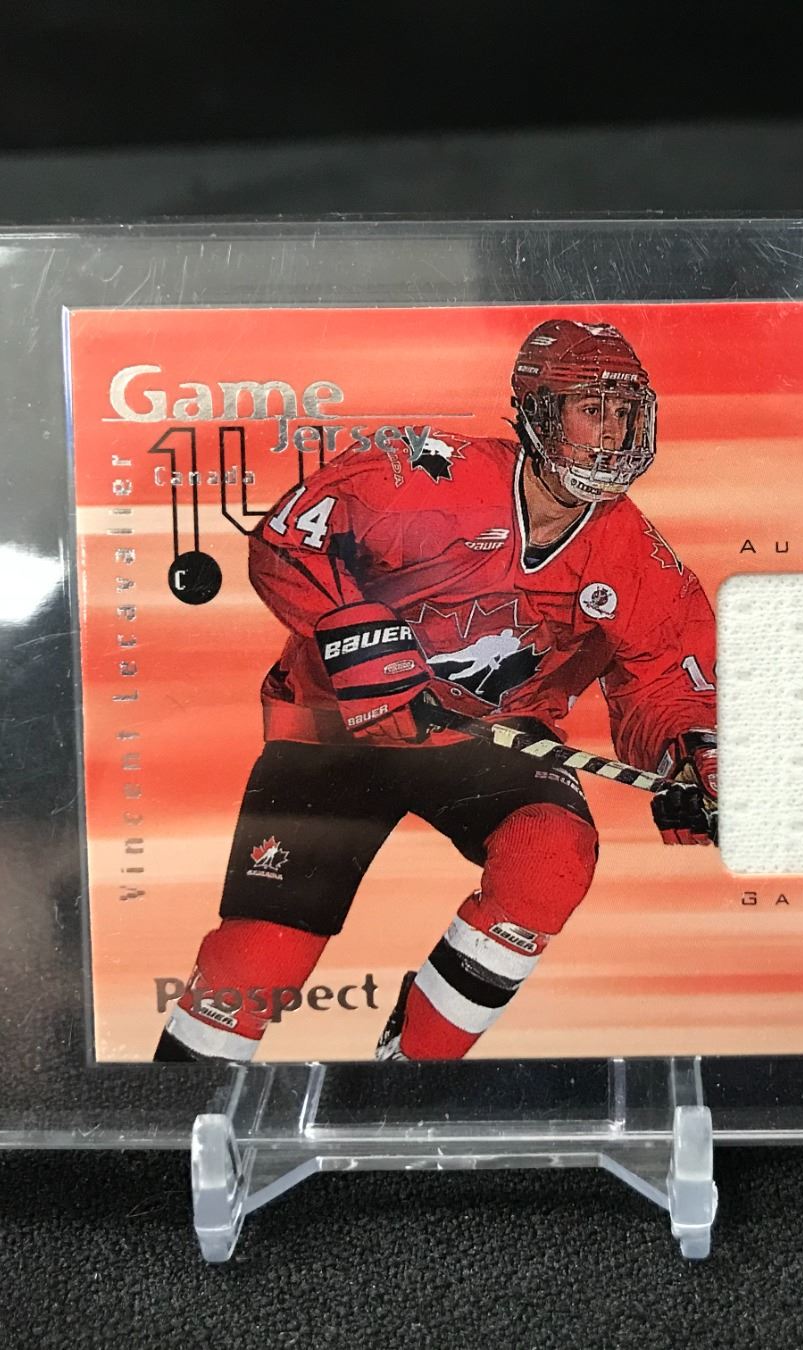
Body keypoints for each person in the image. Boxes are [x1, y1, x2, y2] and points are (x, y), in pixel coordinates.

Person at [153, 319, 718, 1063]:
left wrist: (692, 755)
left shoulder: (636, 555)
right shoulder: (421, 472)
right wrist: (357, 640)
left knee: (551, 856)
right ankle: (179, 1105)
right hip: (338, 726)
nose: (613, 432)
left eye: (626, 412)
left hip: (490, 739)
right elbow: (288, 540)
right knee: (260, 957)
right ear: (539, 412)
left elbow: (666, 676)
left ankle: (416, 1073)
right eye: (592, 408)